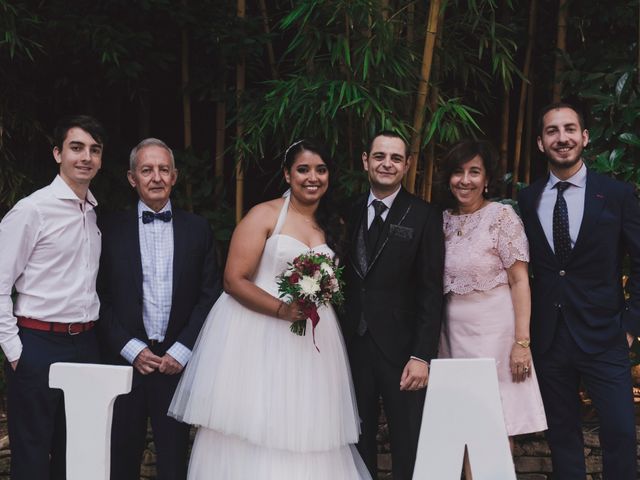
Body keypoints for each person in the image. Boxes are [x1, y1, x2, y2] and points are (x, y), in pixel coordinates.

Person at [168, 139, 370, 479]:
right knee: (256, 419)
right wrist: (281, 310)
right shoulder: (265, 214)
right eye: (303, 169)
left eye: (321, 170)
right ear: (287, 174)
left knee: (308, 424)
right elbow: (234, 279)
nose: (312, 177)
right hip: (257, 334)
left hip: (313, 343)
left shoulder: (332, 223)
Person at [518, 102, 640, 479]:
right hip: (550, 336)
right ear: (540, 143)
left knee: (620, 431)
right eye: (552, 131)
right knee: (562, 435)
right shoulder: (527, 198)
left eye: (569, 129)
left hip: (605, 333)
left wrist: (631, 322)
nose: (562, 138)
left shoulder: (616, 194)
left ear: (584, 137)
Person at [97, 138, 220, 480]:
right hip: (124, 364)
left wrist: (181, 351)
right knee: (119, 460)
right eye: (147, 170)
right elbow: (96, 296)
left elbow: (209, 295)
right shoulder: (107, 229)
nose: (156, 177)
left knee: (175, 462)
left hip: (176, 367)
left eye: (164, 169)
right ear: (132, 178)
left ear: (175, 176)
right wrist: (131, 349)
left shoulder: (198, 230)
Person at [0, 115, 106, 479]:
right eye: (76, 148)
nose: (85, 157)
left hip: (85, 345)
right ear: (58, 153)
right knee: (31, 458)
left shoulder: (93, 213)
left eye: (94, 150)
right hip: (37, 344)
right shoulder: (32, 210)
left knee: (75, 454)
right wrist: (15, 351)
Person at [436, 139, 547, 478]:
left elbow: (520, 281)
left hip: (495, 336)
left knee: (494, 423)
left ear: (486, 179)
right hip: (452, 337)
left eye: (474, 172)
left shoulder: (501, 217)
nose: (465, 180)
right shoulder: (439, 220)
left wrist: (522, 342)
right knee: (462, 425)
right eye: (458, 172)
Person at [341, 131, 445, 480]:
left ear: (407, 165)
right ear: (365, 161)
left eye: (396, 158)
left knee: (408, 440)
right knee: (357, 437)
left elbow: (432, 291)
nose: (387, 164)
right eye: (380, 156)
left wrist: (421, 355)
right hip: (353, 344)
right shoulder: (349, 209)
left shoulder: (425, 215)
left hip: (403, 351)